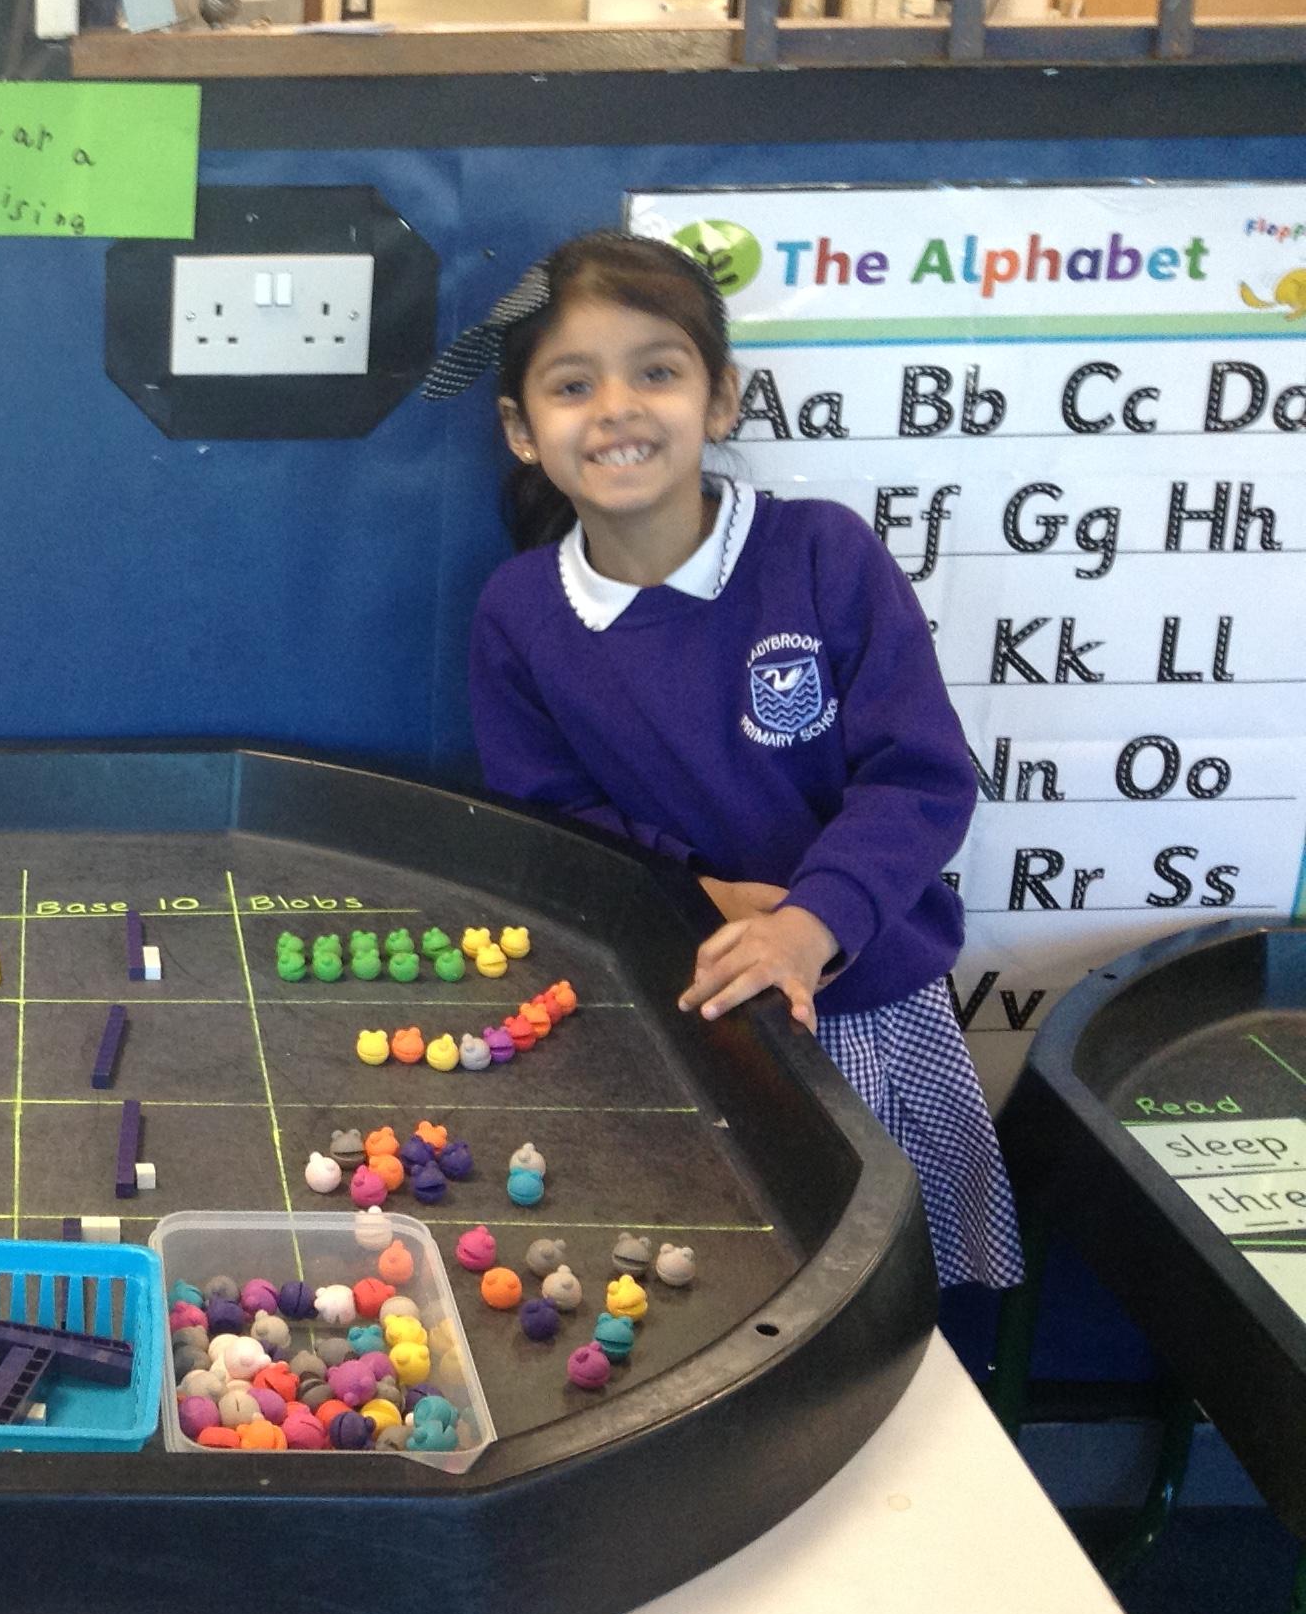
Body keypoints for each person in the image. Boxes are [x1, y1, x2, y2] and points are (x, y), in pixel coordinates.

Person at [434, 230, 1022, 1293]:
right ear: (522, 430)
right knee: (700, 1283)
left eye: (656, 372)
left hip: (861, 999)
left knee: (881, 1289)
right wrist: (694, 894)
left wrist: (807, 925)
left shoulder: (823, 555)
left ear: (721, 399)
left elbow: (921, 778)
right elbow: (550, 818)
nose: (616, 409)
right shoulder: (520, 612)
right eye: (574, 385)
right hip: (670, 1004)